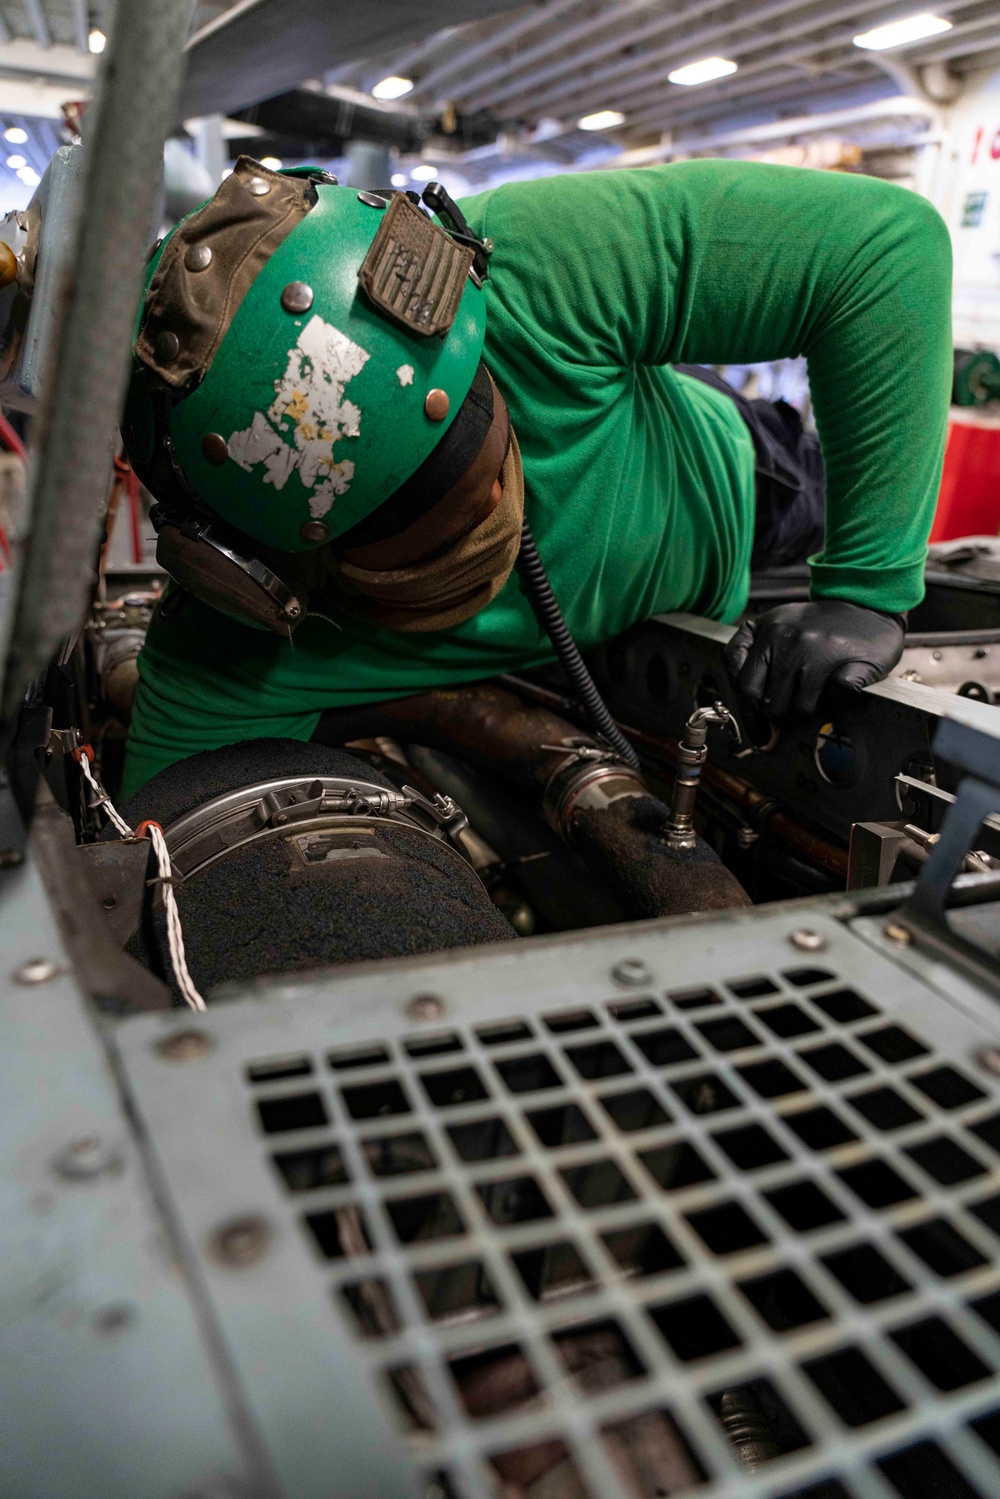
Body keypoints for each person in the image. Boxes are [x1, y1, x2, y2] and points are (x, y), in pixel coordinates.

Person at [120, 154, 951, 797]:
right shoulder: (233, 648)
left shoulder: (533, 262)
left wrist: (866, 589)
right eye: (422, 530)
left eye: (473, 454)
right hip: (596, 610)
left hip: (737, 483)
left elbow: (885, 251)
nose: (490, 511)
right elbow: (160, 835)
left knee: (837, 483)